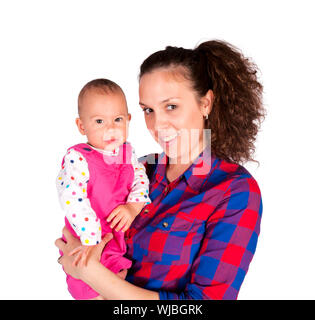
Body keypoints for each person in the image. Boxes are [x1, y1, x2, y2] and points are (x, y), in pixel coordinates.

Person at [55, 39, 265, 300]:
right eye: (148, 110)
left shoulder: (234, 191)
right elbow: (75, 237)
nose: (158, 123)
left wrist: (90, 274)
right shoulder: (137, 170)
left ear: (206, 104)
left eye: (171, 106)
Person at [56, 78, 151, 300]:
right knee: (89, 290)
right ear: (82, 126)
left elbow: (140, 180)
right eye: (99, 121)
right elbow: (71, 196)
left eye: (117, 119)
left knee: (116, 286)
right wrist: (91, 237)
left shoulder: (128, 153)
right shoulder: (78, 158)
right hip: (85, 239)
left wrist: (132, 208)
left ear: (128, 120)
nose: (110, 128)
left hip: (117, 240)